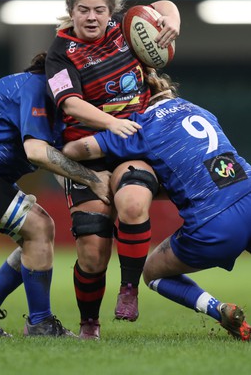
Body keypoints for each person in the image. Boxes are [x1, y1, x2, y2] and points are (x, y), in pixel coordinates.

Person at [62, 67, 251, 341]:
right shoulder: (198, 109)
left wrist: (104, 129)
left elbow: (74, 150)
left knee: (152, 273)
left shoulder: (137, 126)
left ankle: (219, 309)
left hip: (216, 223)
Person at [45, 0, 180, 339]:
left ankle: (130, 289)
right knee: (92, 252)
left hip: (129, 145)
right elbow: (70, 103)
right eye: (83, 10)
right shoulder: (61, 52)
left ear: (111, 12)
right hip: (84, 153)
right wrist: (110, 123)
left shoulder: (125, 28)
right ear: (71, 12)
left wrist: (172, 22)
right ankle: (89, 325)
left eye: (99, 10)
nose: (91, 17)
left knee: (134, 203)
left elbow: (165, 6)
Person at [0, 51, 113, 337]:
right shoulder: (38, 88)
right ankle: (40, 324)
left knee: (36, 233)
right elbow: (38, 152)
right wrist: (92, 180)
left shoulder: (53, 98)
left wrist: (80, 199)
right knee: (38, 228)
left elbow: (55, 157)